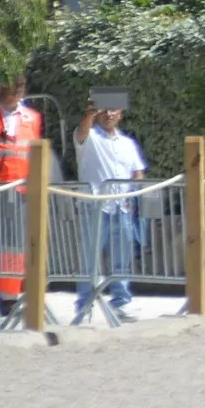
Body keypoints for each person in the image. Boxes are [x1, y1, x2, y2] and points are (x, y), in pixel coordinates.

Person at [73, 100, 148, 323]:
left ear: (121, 114)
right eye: (104, 110)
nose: (108, 114)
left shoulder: (127, 142)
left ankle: (120, 303)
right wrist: (89, 113)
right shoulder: (89, 137)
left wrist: (133, 192)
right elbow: (82, 132)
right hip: (95, 205)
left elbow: (138, 171)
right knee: (89, 258)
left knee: (121, 259)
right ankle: (85, 304)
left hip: (121, 207)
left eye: (113, 110)